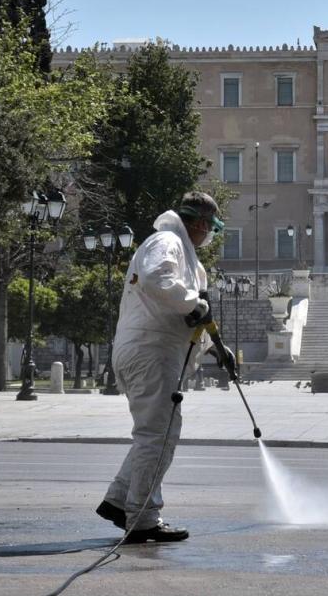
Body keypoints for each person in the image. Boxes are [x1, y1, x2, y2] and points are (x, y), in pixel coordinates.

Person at [95, 191, 235, 544]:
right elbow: (160, 281)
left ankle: (119, 500)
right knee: (157, 436)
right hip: (150, 351)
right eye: (210, 229)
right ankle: (143, 518)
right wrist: (194, 304)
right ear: (201, 224)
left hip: (153, 352)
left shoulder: (181, 253)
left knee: (156, 434)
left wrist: (219, 347)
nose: (209, 236)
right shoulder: (167, 240)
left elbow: (193, 310)